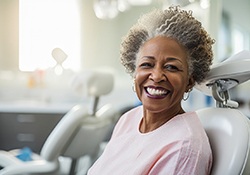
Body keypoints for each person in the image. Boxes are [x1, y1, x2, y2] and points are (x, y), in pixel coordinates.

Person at [88, 5, 214, 175]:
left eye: (171, 67)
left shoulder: (185, 149)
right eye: (147, 64)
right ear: (135, 73)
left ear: (190, 82)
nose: (156, 76)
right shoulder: (129, 119)